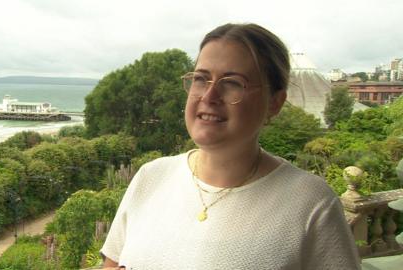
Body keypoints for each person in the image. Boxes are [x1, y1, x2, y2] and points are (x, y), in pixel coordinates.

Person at [99, 23, 361, 270]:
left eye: (232, 83)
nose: (209, 96)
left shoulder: (311, 203)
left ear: (275, 103)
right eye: (201, 79)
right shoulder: (151, 177)